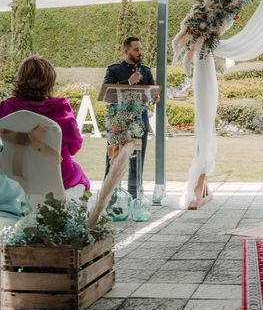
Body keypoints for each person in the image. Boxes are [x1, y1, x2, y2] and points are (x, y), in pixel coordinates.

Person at [0, 56, 90, 192]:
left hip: (13, 179)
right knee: (81, 176)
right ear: (50, 81)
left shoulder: (4, 108)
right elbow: (74, 147)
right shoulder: (61, 110)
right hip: (57, 178)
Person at [103, 37, 156, 198]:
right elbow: (106, 95)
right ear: (126, 51)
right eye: (136, 49)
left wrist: (155, 96)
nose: (140, 52)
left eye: (140, 49)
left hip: (140, 124)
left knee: (137, 164)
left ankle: (135, 199)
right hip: (118, 126)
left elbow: (152, 91)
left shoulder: (146, 71)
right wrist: (128, 82)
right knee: (113, 161)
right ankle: (108, 200)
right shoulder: (114, 70)